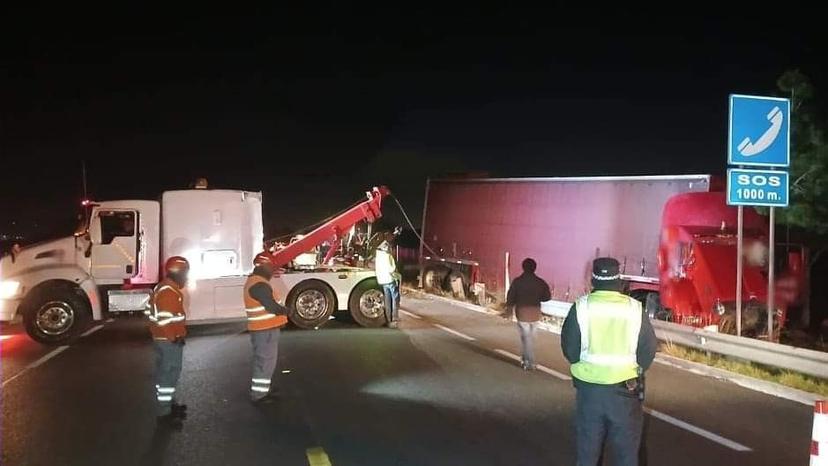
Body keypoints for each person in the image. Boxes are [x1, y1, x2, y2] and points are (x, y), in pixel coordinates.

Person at [561, 257, 658, 466]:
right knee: (626, 456)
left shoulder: (581, 307)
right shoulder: (634, 308)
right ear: (618, 280)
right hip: (625, 392)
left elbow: (570, 350)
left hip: (589, 393)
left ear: (593, 280)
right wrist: (634, 368)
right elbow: (648, 349)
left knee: (587, 455)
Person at [147, 256, 190, 429]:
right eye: (185, 273)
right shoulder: (168, 291)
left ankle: (170, 404)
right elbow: (164, 319)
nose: (186, 277)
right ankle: (164, 414)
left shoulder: (164, 287)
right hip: (168, 340)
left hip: (163, 339)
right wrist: (175, 337)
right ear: (178, 273)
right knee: (169, 374)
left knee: (164, 373)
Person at [244, 252, 290, 404]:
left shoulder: (256, 281)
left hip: (264, 330)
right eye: (271, 266)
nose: (272, 270)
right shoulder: (259, 284)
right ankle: (259, 395)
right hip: (264, 331)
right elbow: (271, 306)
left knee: (266, 362)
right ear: (265, 266)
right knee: (264, 362)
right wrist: (286, 310)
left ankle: (263, 390)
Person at [506, 258, 551, 370]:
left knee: (526, 339)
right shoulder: (540, 282)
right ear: (535, 268)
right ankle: (526, 360)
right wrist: (537, 297)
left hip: (522, 314)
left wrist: (509, 311)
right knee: (530, 339)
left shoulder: (517, 281)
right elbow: (547, 297)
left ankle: (528, 362)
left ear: (523, 267)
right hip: (535, 314)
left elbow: (511, 297)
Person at [374, 240, 400, 328]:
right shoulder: (388, 256)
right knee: (395, 299)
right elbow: (391, 269)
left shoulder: (378, 257)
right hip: (390, 280)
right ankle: (394, 319)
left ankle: (388, 320)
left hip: (382, 281)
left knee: (387, 301)